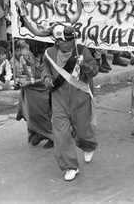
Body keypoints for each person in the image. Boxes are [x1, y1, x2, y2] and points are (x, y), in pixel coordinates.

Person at [42, 24, 98, 181]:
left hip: (79, 96)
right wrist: (46, 76)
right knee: (60, 134)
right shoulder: (49, 53)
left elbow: (94, 70)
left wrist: (85, 65)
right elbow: (44, 67)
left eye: (71, 40)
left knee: (82, 129)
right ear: (57, 41)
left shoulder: (82, 50)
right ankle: (70, 166)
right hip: (59, 97)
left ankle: (88, 145)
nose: (69, 44)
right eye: (65, 41)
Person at [16, 40, 54, 149]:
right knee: (30, 110)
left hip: (45, 88)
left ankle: (51, 136)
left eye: (28, 47)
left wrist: (30, 83)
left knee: (42, 113)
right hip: (36, 86)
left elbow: (47, 77)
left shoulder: (47, 57)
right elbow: (33, 71)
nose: (27, 50)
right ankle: (38, 132)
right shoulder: (33, 56)